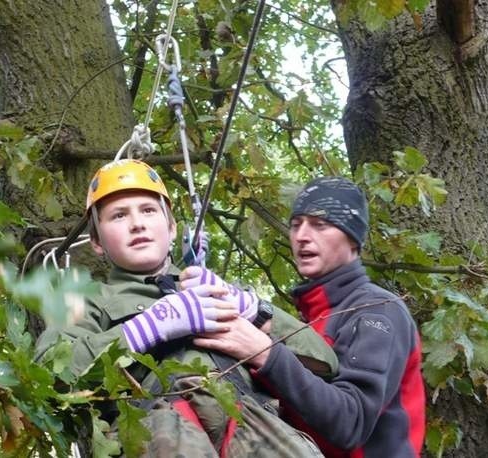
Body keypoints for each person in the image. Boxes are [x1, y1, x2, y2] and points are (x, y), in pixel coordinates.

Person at [34, 159, 338, 457]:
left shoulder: (211, 289)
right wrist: (147, 328)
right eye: (118, 216)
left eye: (149, 210)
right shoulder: (88, 299)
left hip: (250, 422)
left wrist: (251, 308)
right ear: (97, 242)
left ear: (172, 228)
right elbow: (49, 379)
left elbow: (324, 363)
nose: (137, 223)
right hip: (158, 427)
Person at [191, 176, 426, 457]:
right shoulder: (312, 319)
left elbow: (351, 423)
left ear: (352, 237)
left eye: (319, 224)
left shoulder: (377, 310)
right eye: (295, 224)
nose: (301, 235)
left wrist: (264, 353)